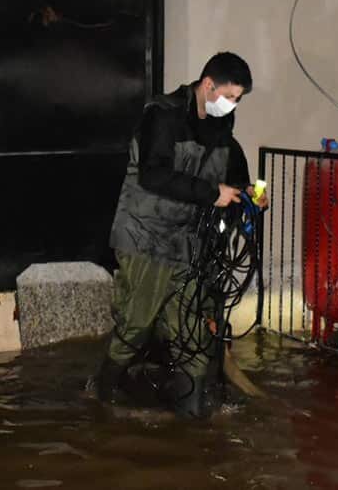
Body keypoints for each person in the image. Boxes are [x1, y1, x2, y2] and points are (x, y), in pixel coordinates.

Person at [98, 51, 267, 417]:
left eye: (238, 99)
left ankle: (191, 416)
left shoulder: (223, 127)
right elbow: (152, 175)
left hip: (189, 242)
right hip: (146, 236)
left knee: (191, 331)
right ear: (209, 85)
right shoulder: (163, 115)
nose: (233, 104)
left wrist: (249, 193)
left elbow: (229, 173)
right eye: (231, 96)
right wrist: (212, 193)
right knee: (137, 325)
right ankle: (100, 394)